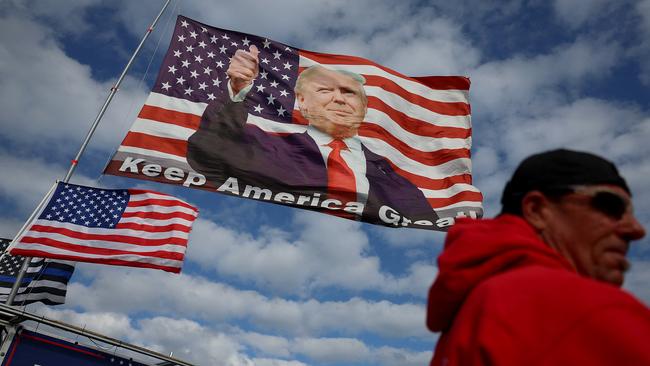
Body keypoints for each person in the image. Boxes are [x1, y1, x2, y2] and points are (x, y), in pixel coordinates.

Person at [426, 149, 650, 365]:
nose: (635, 229)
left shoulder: (467, 318)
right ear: (537, 210)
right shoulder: (584, 311)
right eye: (610, 205)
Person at [186, 45, 437, 226]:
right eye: (326, 90)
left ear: (364, 107)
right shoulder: (265, 145)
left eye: (350, 93)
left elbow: (426, 221)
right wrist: (237, 92)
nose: (339, 98)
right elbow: (209, 154)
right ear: (303, 103)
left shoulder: (392, 178)